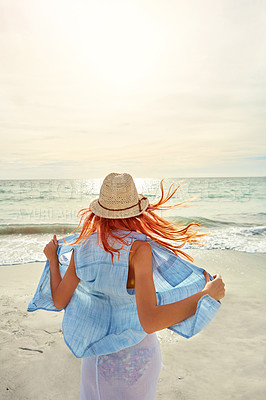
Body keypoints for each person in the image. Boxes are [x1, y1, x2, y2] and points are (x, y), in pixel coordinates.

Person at [29, 172, 225, 400]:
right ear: (136, 212)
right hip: (135, 357)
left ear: (99, 212)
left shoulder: (82, 247)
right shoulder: (138, 250)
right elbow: (149, 320)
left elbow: (59, 300)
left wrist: (53, 260)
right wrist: (205, 295)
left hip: (94, 359)